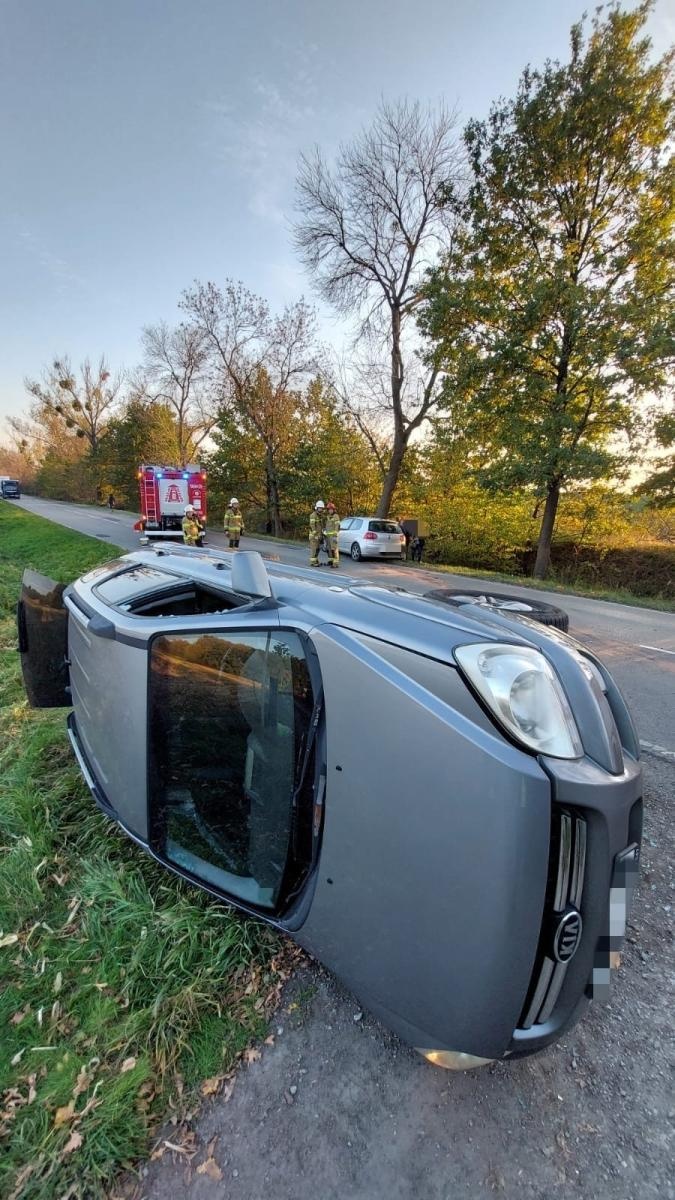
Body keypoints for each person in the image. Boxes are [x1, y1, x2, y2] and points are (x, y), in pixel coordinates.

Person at [309, 500, 326, 566]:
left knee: (318, 549)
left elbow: (321, 525)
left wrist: (322, 533)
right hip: (314, 536)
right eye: (320, 508)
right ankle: (312, 562)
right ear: (316, 508)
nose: (321, 509)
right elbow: (312, 526)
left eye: (322, 508)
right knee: (314, 549)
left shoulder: (320, 516)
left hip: (319, 535)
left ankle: (315, 560)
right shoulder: (313, 515)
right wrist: (315, 534)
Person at [324, 500, 340, 568]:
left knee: (334, 549)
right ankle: (330, 561)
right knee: (329, 549)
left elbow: (337, 526)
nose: (330, 511)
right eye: (329, 510)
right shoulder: (328, 516)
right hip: (328, 536)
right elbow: (327, 526)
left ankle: (335, 563)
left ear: (333, 510)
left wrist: (335, 535)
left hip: (333, 536)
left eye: (331, 509)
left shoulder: (336, 516)